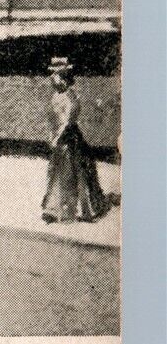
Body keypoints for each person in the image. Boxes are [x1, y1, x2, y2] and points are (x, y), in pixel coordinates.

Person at [41, 57, 110, 223]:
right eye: (52, 75)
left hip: (69, 138)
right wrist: (51, 134)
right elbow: (52, 119)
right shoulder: (55, 96)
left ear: (64, 77)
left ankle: (80, 209)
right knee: (57, 172)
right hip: (59, 138)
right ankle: (54, 208)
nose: (52, 78)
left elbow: (68, 121)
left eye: (56, 75)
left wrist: (57, 137)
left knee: (74, 172)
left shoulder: (71, 96)